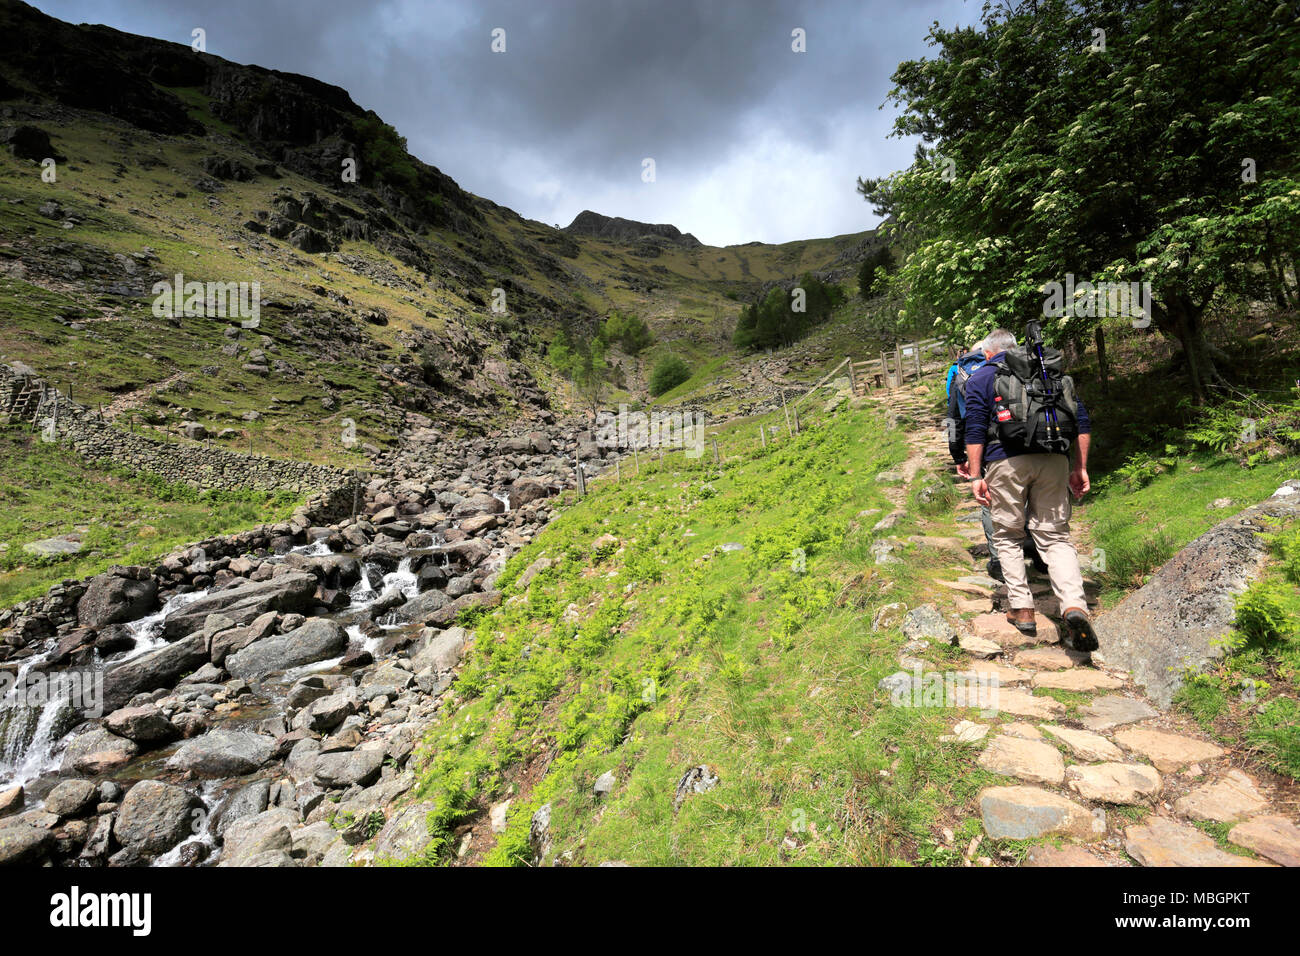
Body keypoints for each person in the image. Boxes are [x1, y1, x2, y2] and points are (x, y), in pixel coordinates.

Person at [963, 328, 1098, 651]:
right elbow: (1080, 420)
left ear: (988, 353)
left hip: (1005, 462)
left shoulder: (981, 378)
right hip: (1053, 459)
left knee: (1008, 535)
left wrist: (975, 475)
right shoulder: (1046, 371)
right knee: (1055, 536)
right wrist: (1079, 467)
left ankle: (1022, 608)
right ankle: (1073, 606)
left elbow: (975, 427)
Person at [945, 341, 1047, 583]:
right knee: (1031, 495)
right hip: (1030, 440)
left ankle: (999, 561)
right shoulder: (1015, 366)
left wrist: (958, 456)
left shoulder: (959, 372)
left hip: (984, 445)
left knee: (989, 502)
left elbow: (953, 418)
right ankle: (1039, 551)